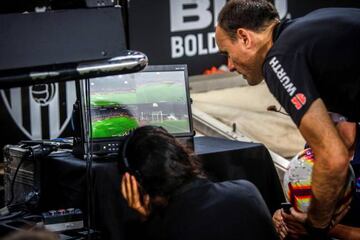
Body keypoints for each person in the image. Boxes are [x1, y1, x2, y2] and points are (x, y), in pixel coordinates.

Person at [215, 0, 360, 237]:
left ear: (244, 37)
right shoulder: (308, 30)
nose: (229, 66)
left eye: (227, 54)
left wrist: (316, 224)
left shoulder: (278, 59)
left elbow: (333, 157)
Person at [120, 126, 278, 240]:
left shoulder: (165, 230)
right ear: (183, 154)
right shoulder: (247, 191)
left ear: (135, 184)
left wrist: (146, 222)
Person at [273, 115, 360, 239]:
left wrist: (322, 229)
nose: (333, 128)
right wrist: (284, 217)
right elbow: (304, 202)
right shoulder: (314, 150)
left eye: (341, 118)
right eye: (327, 117)